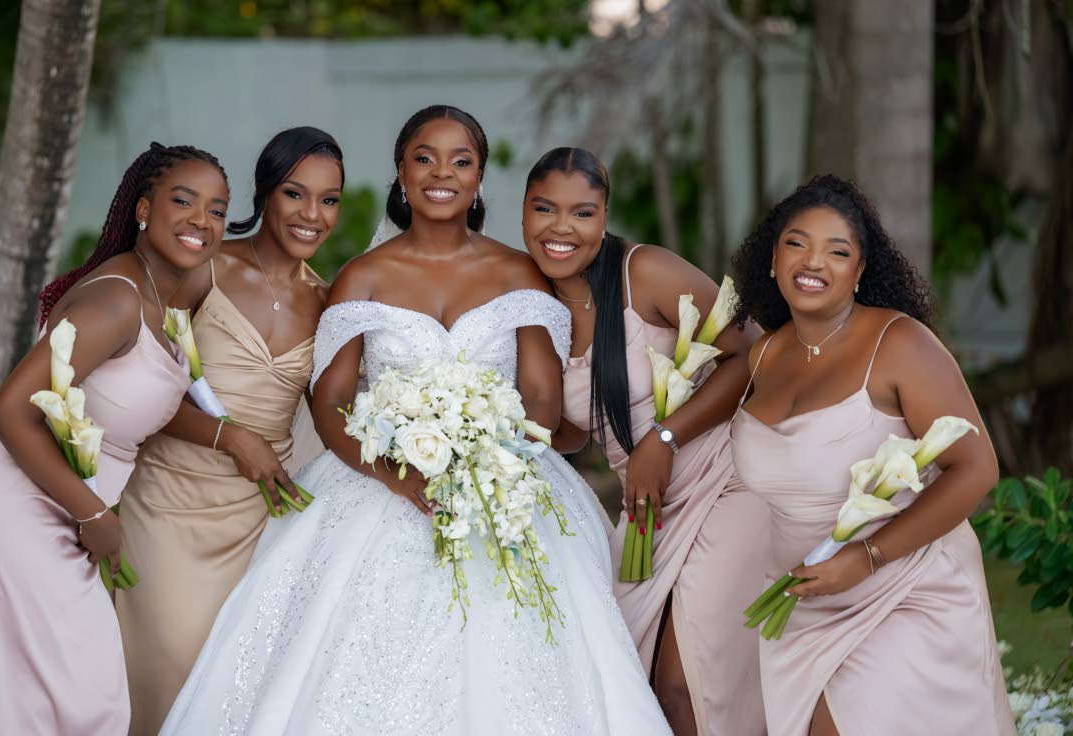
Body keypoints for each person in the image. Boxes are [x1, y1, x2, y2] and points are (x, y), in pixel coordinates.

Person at [160, 106, 671, 735]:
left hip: (504, 480)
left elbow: (540, 395)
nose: (442, 174)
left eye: (462, 162)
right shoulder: (363, 277)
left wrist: (493, 456)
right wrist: (393, 471)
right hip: (377, 482)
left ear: (480, 178)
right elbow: (331, 402)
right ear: (400, 171)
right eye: (425, 158)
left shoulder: (519, 272)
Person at [0, 143, 229, 734]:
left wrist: (229, 437)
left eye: (217, 209)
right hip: (8, 504)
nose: (202, 220)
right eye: (184, 201)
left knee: (28, 699)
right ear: (143, 208)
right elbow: (12, 408)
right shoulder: (115, 299)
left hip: (58, 509)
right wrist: (95, 513)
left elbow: (128, 407)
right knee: (76, 702)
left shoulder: (169, 295)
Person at [729, 175, 1016, 736]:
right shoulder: (763, 355)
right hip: (806, 601)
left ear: (859, 272)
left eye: (838, 251)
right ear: (772, 258)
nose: (814, 262)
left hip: (907, 585)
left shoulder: (900, 344)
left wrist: (868, 557)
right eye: (797, 243)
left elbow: (977, 468)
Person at [522, 146, 768, 735]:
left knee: (691, 680)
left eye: (581, 213)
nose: (561, 228)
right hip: (645, 510)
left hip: (727, 480)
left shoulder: (646, 273)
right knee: (639, 676)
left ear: (604, 217)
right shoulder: (533, 302)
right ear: (523, 213)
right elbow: (576, 429)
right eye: (544, 209)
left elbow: (749, 352)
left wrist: (665, 435)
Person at [116, 127, 342, 734]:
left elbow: (334, 417)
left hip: (259, 522)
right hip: (169, 504)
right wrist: (230, 437)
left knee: (234, 690)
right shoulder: (204, 270)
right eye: (296, 194)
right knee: (168, 671)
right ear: (265, 194)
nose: (313, 215)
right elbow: (139, 389)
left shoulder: (328, 304)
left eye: (330, 199)